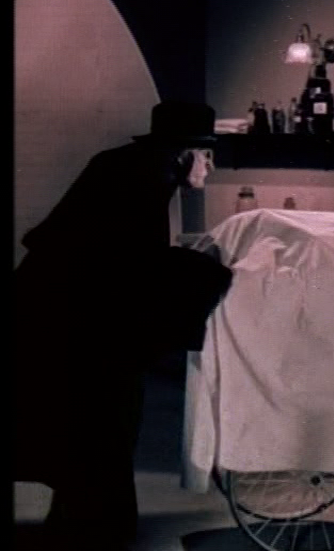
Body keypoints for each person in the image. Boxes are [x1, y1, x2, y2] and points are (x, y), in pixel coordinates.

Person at [13, 101, 233, 551]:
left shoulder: (131, 165)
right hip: (71, 317)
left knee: (87, 424)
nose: (210, 167)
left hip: (60, 309)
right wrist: (207, 268)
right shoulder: (147, 177)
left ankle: (85, 525)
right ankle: (95, 531)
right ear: (183, 153)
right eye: (205, 154)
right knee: (102, 422)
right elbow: (129, 262)